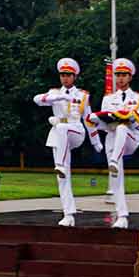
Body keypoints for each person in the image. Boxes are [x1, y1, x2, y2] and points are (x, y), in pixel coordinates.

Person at [32, 57, 96, 226]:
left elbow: (89, 119)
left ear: (74, 77)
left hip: (76, 132)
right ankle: (68, 214)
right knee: (62, 177)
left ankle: (60, 164)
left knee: (60, 128)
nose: (65, 78)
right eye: (62, 75)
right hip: (59, 138)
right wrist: (56, 98)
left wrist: (96, 142)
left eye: (68, 75)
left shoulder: (82, 95)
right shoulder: (54, 93)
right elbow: (37, 100)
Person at [94, 59, 139, 229]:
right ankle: (122, 215)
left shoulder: (138, 98)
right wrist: (97, 120)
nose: (121, 79)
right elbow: (104, 124)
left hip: (130, 136)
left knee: (123, 128)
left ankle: (115, 161)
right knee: (116, 178)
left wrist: (128, 117)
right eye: (118, 75)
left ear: (130, 77)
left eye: (124, 75)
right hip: (112, 136)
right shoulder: (108, 98)